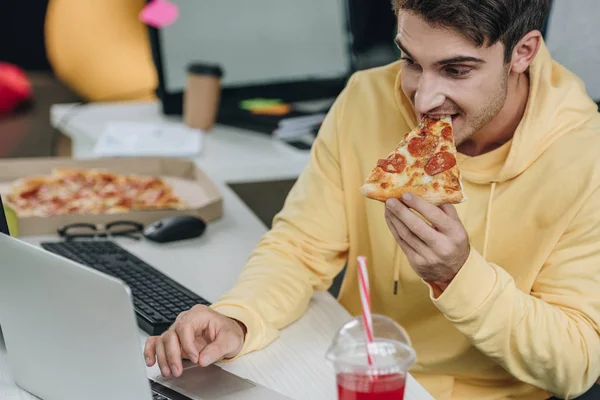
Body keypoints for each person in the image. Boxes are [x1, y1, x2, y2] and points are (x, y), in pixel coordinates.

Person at [144, 0, 600, 398]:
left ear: (523, 52)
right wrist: (239, 318)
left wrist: (459, 275)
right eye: (411, 61)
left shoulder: (587, 157)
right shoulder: (365, 97)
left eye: (456, 69)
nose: (424, 98)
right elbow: (299, 249)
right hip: (353, 376)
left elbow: (574, 367)